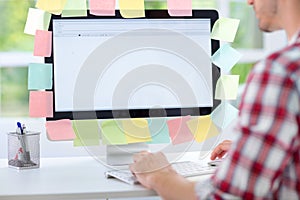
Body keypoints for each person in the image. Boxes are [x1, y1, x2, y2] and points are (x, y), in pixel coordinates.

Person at [129, 0, 300, 199]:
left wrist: (158, 175)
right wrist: (255, 150)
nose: (249, 1)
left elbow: (222, 198)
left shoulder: (280, 71)